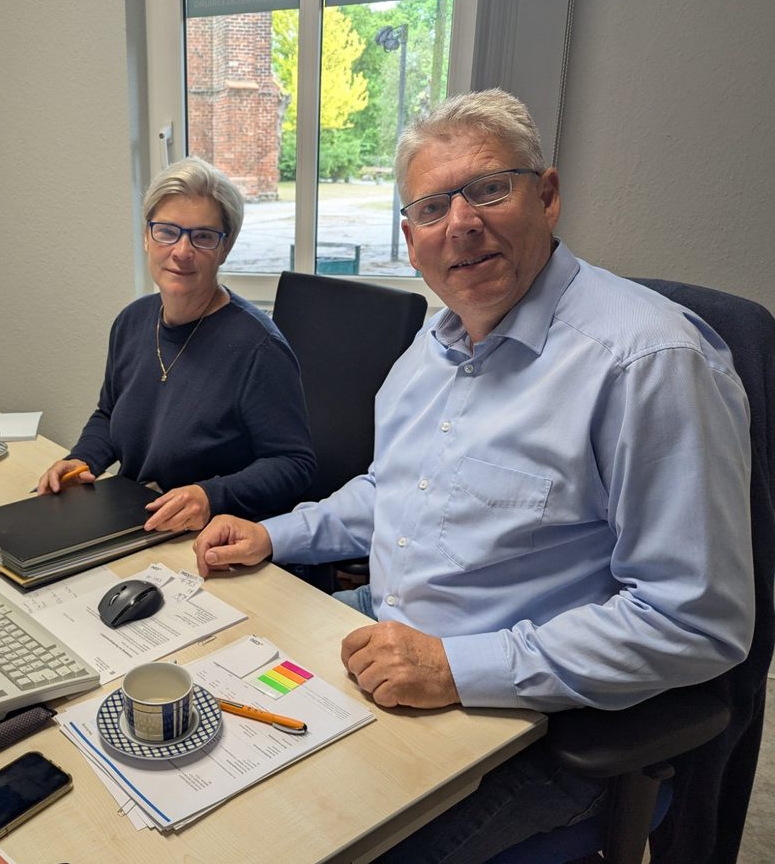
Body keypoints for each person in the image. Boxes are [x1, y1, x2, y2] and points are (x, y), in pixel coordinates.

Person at [192, 89, 755, 861]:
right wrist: (274, 532)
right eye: (432, 207)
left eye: (489, 188)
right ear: (411, 238)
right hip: (388, 642)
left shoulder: (647, 362)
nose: (461, 222)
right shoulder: (429, 352)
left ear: (547, 196)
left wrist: (456, 668)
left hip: (540, 729)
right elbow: (394, 492)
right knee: (219, 757)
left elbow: (696, 622)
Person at [37, 157, 315, 533]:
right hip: (135, 519)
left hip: (211, 538)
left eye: (202, 236)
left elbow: (293, 464)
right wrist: (82, 459)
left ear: (225, 247)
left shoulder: (259, 348)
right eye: (167, 231)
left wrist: (210, 495)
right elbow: (109, 413)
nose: (182, 251)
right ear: (147, 236)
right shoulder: (132, 322)